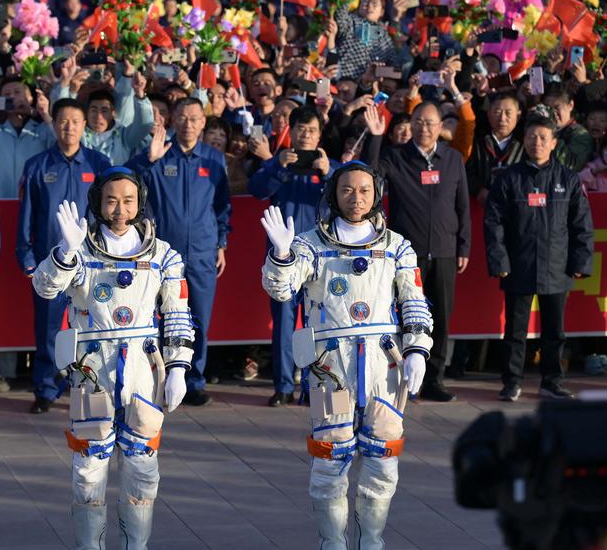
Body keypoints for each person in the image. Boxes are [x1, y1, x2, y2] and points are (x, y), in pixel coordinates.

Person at [260, 161, 432, 550]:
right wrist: (282, 255)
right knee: (329, 464)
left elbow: (414, 300)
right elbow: (282, 291)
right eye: (347, 191)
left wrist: (417, 349)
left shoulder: (396, 246)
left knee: (382, 462)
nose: (356, 199)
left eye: (365, 191)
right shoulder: (309, 244)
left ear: (377, 195)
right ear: (333, 195)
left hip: (383, 367)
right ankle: (332, 547)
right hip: (330, 370)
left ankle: (372, 544)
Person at [32, 168, 193, 550]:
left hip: (143, 366)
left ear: (140, 203)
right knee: (88, 467)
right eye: (110, 200)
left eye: (128, 200)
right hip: (93, 369)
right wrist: (65, 252)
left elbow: (176, 312)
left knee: (142, 465)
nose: (120, 209)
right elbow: (44, 287)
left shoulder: (162, 254)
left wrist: (178, 367)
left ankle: (136, 549)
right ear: (97, 203)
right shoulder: (80, 249)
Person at [484, 105, 593, 402]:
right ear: (525, 139)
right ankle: (512, 381)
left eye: (544, 137)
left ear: (554, 142)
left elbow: (581, 225)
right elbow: (493, 222)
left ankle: (552, 380)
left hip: (557, 267)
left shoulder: (568, 179)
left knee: (554, 331)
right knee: (515, 331)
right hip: (518, 265)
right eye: (532, 136)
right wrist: (500, 261)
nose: (538, 143)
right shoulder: (509, 178)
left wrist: (580, 262)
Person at [127, 98, 231, 406]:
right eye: (182, 118)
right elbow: (127, 180)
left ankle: (193, 379)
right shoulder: (157, 154)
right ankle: (156, 377)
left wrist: (221, 242)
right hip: (162, 254)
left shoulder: (213, 160)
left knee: (198, 317)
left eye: (195, 118)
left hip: (202, 251)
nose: (188, 124)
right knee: (157, 316)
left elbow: (223, 205)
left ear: (203, 123)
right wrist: (149, 160)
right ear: (172, 120)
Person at [365, 102, 470, 402]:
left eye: (431, 122)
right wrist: (376, 137)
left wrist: (464, 245)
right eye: (419, 122)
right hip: (406, 254)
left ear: (441, 127)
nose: (425, 128)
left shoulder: (452, 159)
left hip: (446, 250)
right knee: (404, 316)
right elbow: (370, 180)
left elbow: (462, 206)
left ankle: (434, 378)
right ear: (411, 124)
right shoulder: (396, 157)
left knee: (442, 318)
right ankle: (401, 376)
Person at [17, 98, 112, 414]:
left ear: (85, 125)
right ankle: (45, 388)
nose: (69, 126)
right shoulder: (38, 165)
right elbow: (26, 217)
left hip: (92, 264)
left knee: (89, 326)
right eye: (63, 120)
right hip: (51, 262)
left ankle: (88, 384)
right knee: (47, 328)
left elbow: (110, 213)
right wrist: (27, 257)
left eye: (76, 120)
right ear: (54, 124)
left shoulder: (99, 165)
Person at [249, 107, 341, 406]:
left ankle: (316, 385)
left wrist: (328, 173)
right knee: (285, 324)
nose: (306, 135)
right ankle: (284, 385)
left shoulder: (329, 167)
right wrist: (277, 166)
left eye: (312, 130)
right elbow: (258, 190)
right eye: (301, 129)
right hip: (285, 257)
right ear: (292, 130)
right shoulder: (280, 162)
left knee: (321, 323)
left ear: (320, 134)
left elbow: (346, 199)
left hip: (321, 259)